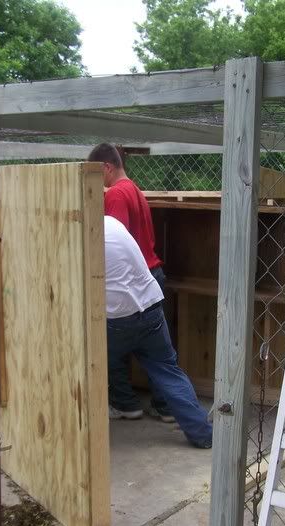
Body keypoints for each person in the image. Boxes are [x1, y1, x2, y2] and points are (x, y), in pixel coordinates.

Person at [103, 215, 212, 448]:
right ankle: (203, 434)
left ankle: (124, 404)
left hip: (116, 318)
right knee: (167, 370)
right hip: (150, 305)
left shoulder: (83, 233)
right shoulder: (113, 223)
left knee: (95, 362)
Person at [88, 142, 174, 422]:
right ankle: (165, 406)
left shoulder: (115, 195)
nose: (95, 181)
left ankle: (125, 403)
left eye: (95, 173)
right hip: (151, 276)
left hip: (131, 283)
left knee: (109, 346)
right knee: (159, 354)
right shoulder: (134, 189)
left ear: (106, 167)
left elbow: (111, 242)